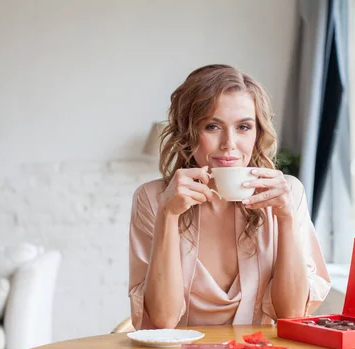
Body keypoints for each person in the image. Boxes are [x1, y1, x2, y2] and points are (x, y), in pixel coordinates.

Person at [128, 64, 331, 330]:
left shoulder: (288, 193)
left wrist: (286, 217)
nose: (229, 144)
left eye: (243, 127)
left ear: (258, 132)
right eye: (212, 126)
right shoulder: (153, 198)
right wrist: (168, 215)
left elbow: (291, 315)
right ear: (187, 133)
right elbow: (163, 321)